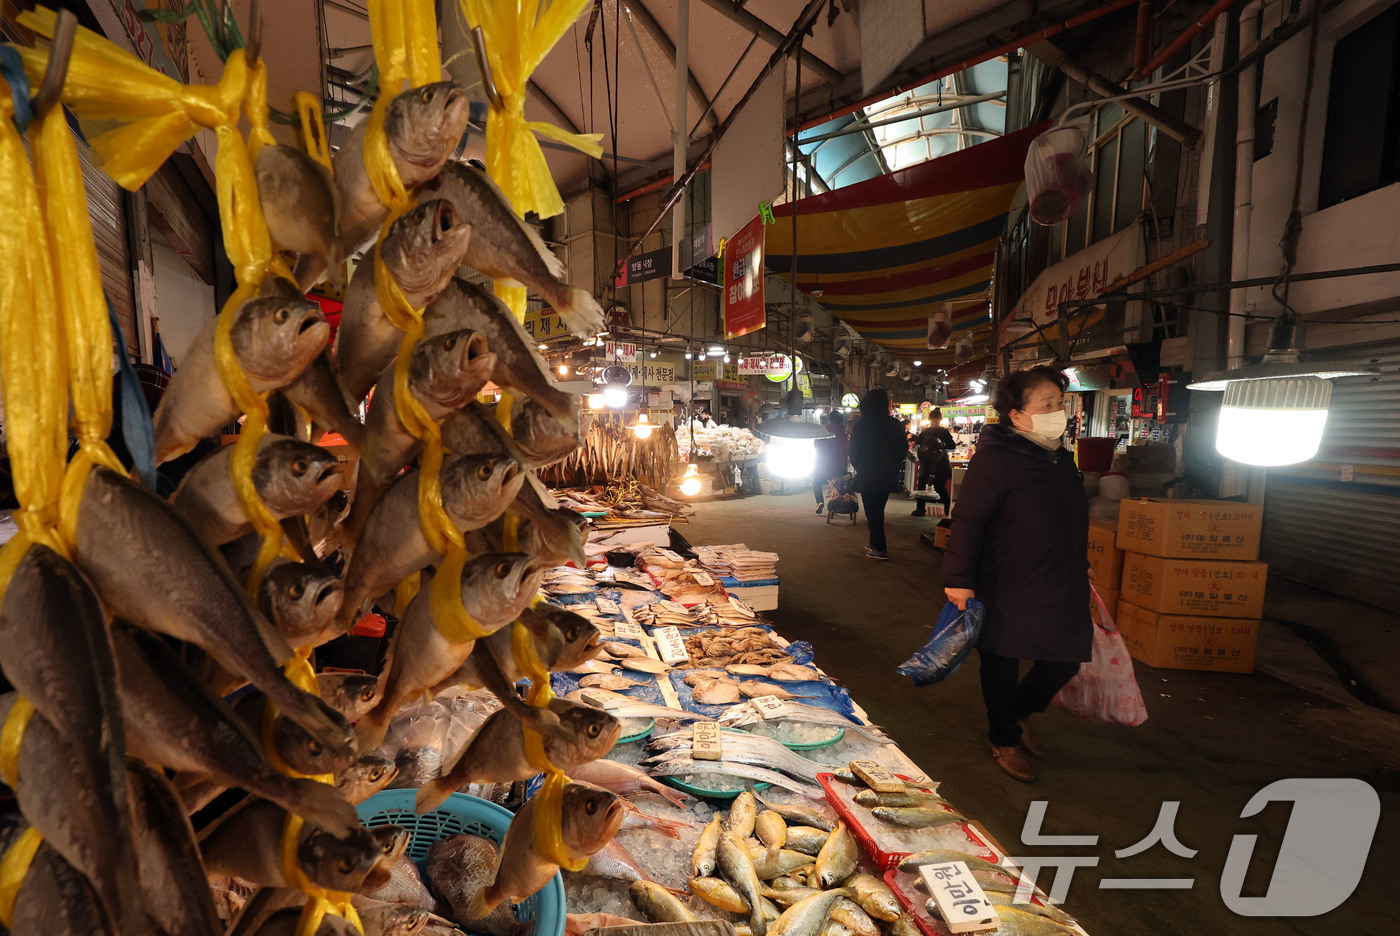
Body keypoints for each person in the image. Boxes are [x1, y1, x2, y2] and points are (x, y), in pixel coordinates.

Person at [941, 366, 1090, 783]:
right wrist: (958, 578)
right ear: (1016, 415)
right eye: (1046, 404)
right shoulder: (996, 459)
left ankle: (1017, 715)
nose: (1057, 410)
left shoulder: (1059, 455)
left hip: (1060, 577)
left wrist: (1082, 566)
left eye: (1060, 403)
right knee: (1002, 664)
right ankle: (1003, 738)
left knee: (1066, 659)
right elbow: (968, 520)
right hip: (1004, 581)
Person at [847, 388, 905, 560]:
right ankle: (873, 542)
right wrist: (892, 464)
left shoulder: (863, 425)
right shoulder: (895, 424)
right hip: (888, 474)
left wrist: (860, 467)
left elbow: (853, 451)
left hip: (868, 474)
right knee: (878, 509)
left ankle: (880, 548)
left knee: (873, 512)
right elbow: (902, 451)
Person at [912, 408, 955, 516]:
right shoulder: (925, 431)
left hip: (939, 463)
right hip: (926, 462)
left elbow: (952, 445)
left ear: (939, 420)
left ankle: (947, 507)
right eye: (933, 420)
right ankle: (920, 509)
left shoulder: (944, 432)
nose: (935, 422)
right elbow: (918, 442)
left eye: (936, 420)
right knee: (921, 486)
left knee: (939, 486)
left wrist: (943, 444)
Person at [812, 411, 848, 514]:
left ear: (829, 419)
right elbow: (845, 450)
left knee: (817, 482)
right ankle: (835, 504)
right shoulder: (843, 433)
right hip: (837, 464)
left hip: (822, 463)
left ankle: (820, 501)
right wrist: (844, 468)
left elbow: (816, 445)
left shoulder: (823, 429)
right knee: (836, 485)